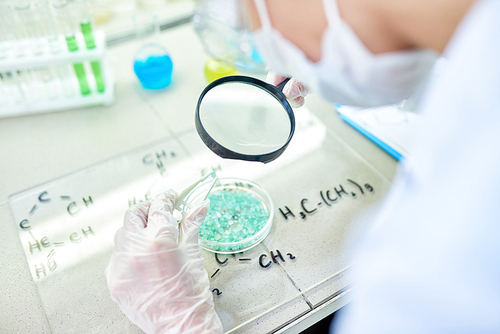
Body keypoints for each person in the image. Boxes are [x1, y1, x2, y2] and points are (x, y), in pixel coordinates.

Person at [105, 0, 500, 332]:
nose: (270, 46)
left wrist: (182, 322)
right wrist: (416, 75)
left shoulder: (466, 231)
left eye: (254, 24)